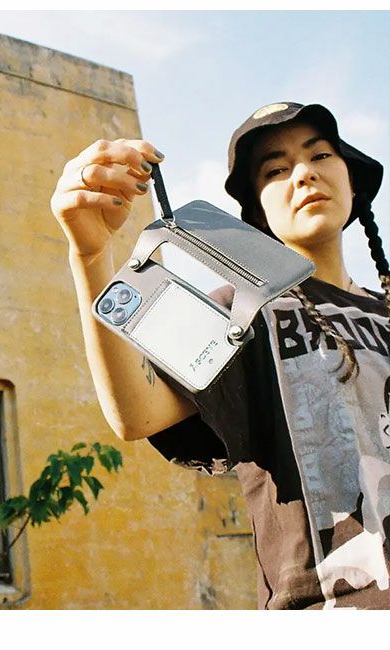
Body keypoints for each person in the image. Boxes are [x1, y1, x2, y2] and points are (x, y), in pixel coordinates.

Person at [50, 102, 390, 609]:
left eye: (319, 154)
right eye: (276, 170)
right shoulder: (241, 312)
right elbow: (137, 413)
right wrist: (91, 255)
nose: (303, 173)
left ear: (353, 181)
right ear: (257, 213)